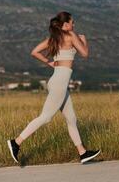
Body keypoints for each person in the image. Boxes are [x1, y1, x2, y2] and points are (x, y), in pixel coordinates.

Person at [7, 11, 101, 164]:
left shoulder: (54, 38)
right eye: (72, 22)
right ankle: (15, 142)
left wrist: (48, 62)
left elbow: (34, 52)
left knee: (71, 119)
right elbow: (85, 53)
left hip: (57, 80)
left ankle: (82, 153)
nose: (73, 24)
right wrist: (84, 40)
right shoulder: (71, 36)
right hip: (60, 82)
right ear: (65, 25)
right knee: (46, 117)